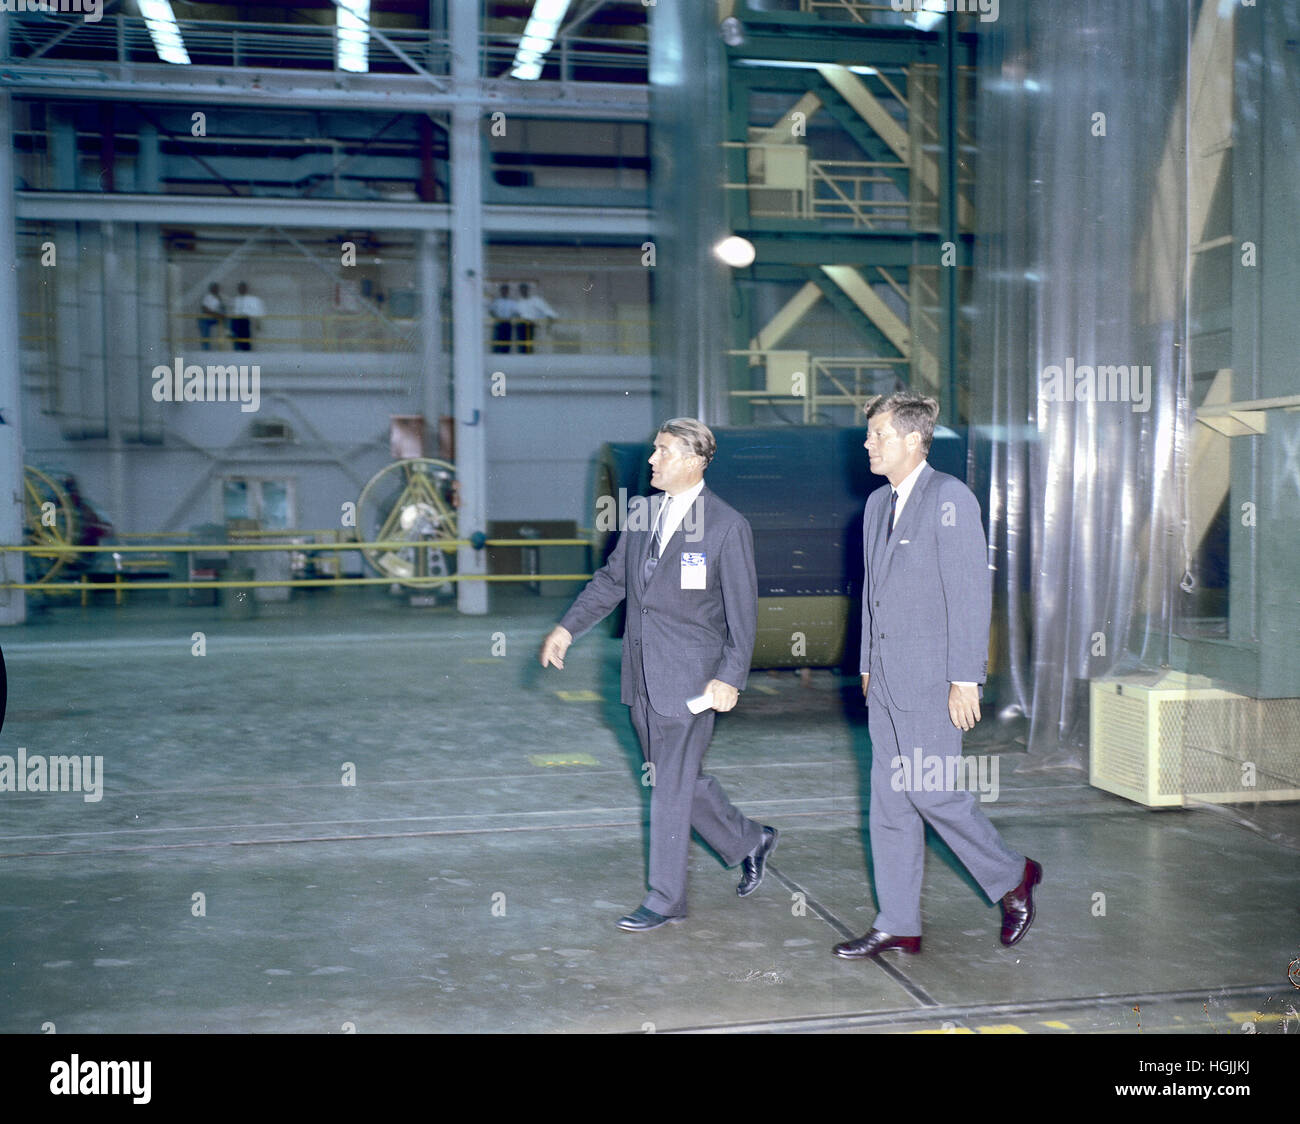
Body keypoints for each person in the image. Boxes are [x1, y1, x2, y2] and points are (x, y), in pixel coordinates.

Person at [540, 418, 778, 931]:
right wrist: (568, 628)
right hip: (641, 672)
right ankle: (748, 839)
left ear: (693, 461)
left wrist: (730, 677)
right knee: (674, 777)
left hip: (692, 679)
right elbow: (612, 581)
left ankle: (666, 898)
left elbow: (743, 612)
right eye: (654, 450)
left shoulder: (726, 525)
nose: (652, 460)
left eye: (663, 451)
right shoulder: (643, 512)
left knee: (668, 788)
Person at [834, 392, 1041, 960]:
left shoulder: (950, 497)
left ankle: (1013, 876)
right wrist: (868, 665)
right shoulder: (877, 505)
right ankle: (899, 922)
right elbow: (873, 597)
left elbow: (969, 593)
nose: (867, 443)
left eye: (877, 434)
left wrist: (965, 678)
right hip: (887, 682)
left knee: (932, 792)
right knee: (890, 804)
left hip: (932, 680)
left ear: (911, 439)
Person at [513, 282, 557, 354]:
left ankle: (528, 354)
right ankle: (522, 355)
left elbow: (547, 310)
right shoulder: (518, 302)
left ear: (528, 290)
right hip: (520, 325)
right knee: (521, 343)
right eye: (521, 289)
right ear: (520, 291)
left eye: (525, 289)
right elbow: (516, 314)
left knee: (529, 343)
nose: (523, 291)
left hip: (530, 325)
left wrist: (550, 317)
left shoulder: (535, 300)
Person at [229, 282, 265, 351]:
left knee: (245, 339)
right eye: (240, 288)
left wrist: (258, 323)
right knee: (237, 338)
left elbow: (257, 313)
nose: (241, 290)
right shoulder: (235, 300)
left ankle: (246, 350)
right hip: (237, 321)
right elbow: (231, 312)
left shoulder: (252, 299)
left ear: (246, 289)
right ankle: (238, 348)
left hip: (246, 321)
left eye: (243, 288)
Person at [488, 283, 517, 354]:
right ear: (501, 291)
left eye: (506, 290)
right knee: (497, 339)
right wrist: (496, 317)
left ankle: (506, 353)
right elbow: (491, 310)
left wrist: (511, 317)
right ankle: (495, 353)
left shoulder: (512, 302)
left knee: (507, 340)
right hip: (498, 323)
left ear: (508, 291)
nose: (504, 291)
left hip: (507, 323)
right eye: (503, 290)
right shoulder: (497, 301)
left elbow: (515, 312)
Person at [198, 283, 225, 350]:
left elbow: (222, 310)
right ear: (211, 289)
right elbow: (205, 309)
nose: (216, 289)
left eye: (216, 288)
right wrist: (217, 314)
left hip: (216, 318)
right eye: (214, 288)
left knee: (229, 320)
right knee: (205, 331)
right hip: (206, 318)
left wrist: (221, 315)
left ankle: (229, 335)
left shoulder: (220, 298)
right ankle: (206, 349)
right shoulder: (207, 297)